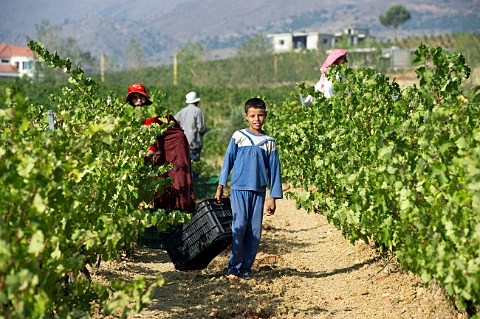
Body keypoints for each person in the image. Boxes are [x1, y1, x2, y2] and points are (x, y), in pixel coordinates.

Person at [215, 97, 283, 280]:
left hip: (258, 191)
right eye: (253, 115)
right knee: (239, 226)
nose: (256, 119)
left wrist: (273, 198)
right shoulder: (238, 137)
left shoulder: (269, 142)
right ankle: (233, 268)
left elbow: (275, 171)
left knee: (254, 231)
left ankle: (246, 268)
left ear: (265, 116)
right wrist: (221, 185)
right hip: (238, 189)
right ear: (246, 116)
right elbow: (227, 161)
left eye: (260, 115)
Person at [126, 83, 195, 213]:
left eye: (141, 97)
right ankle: (166, 214)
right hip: (162, 147)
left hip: (175, 146)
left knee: (177, 180)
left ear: (146, 97)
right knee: (160, 180)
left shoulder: (152, 113)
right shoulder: (134, 116)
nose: (138, 100)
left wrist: (141, 162)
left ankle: (183, 215)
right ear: (131, 101)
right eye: (134, 98)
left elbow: (152, 143)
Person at [174, 91, 206, 162]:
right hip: (194, 143)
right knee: (194, 166)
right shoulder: (198, 111)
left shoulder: (182, 111)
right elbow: (201, 128)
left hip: (183, 143)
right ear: (196, 101)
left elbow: (174, 122)